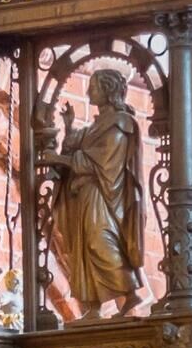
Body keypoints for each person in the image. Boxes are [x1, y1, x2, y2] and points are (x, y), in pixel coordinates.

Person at [31, 68, 148, 319]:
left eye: (93, 87)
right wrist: (69, 126)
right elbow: (79, 144)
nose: (88, 91)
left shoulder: (121, 123)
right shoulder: (98, 124)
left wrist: (61, 159)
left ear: (107, 90)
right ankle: (92, 306)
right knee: (82, 247)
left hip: (103, 196)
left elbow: (104, 161)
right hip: (85, 196)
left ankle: (129, 293)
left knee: (100, 242)